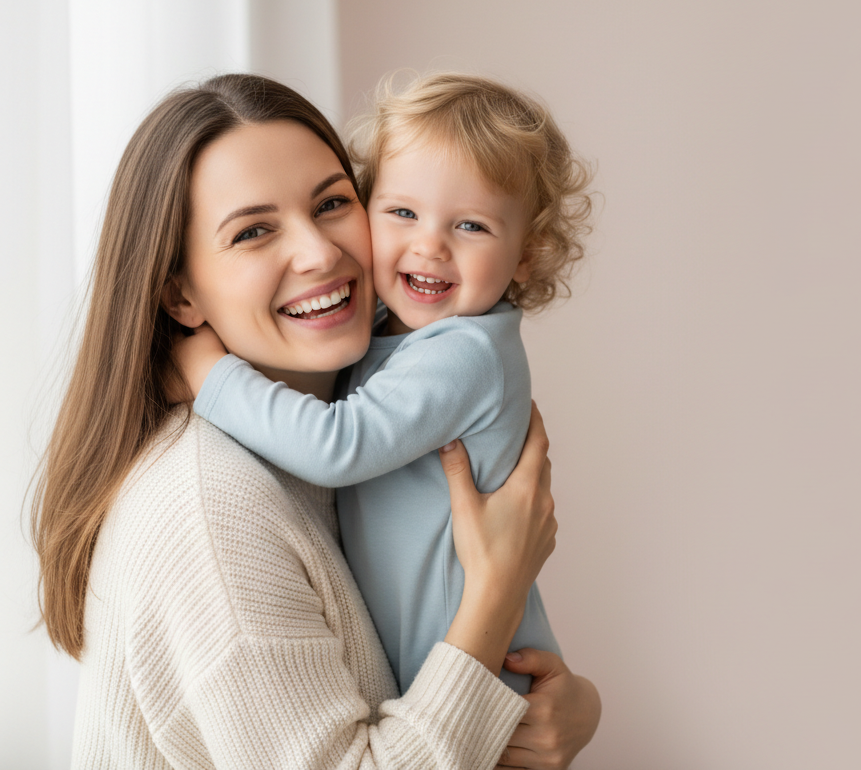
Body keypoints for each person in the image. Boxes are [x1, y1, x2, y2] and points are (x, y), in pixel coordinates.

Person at [30, 73, 600, 769]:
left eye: (331, 204)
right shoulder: (211, 510)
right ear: (179, 295)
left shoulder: (377, 385)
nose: (322, 254)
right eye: (253, 231)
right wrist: (496, 594)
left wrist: (571, 708)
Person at [173, 73, 593, 697]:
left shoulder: (467, 351)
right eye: (402, 213)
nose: (429, 246)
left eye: (471, 226)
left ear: (527, 254)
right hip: (443, 680)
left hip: (484, 684)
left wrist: (207, 374)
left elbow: (337, 446)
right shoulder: (386, 328)